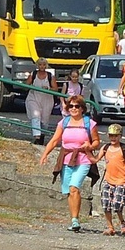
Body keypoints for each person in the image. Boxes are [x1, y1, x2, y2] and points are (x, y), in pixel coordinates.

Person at [39, 95, 100, 231]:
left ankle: (75, 220)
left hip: (83, 159)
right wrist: (45, 154)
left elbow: (96, 142)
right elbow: (55, 140)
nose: (73, 108)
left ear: (82, 108)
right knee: (68, 191)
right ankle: (74, 219)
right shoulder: (64, 122)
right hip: (66, 159)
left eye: (76, 106)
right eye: (71, 106)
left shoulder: (89, 123)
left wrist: (89, 146)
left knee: (74, 187)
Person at [94, 124, 125, 235]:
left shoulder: (124, 149)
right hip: (108, 180)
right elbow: (95, 160)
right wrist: (85, 150)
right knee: (105, 204)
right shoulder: (105, 148)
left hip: (121, 181)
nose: (113, 138)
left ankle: (122, 222)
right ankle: (110, 227)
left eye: (115, 136)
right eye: (111, 136)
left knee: (117, 205)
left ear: (120, 136)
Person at [26, 57, 58, 145]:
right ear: (37, 65)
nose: (42, 66)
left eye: (44, 65)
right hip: (34, 97)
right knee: (35, 115)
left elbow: (55, 89)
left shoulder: (50, 76)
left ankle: (42, 135)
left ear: (46, 66)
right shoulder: (33, 74)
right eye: (40, 64)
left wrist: (48, 88)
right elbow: (26, 85)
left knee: (44, 120)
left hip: (46, 100)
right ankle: (37, 136)